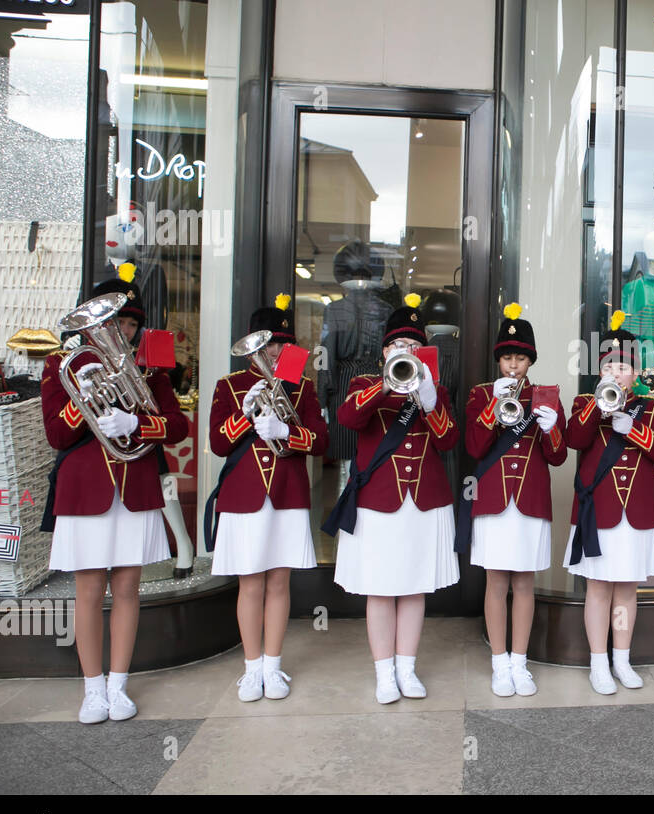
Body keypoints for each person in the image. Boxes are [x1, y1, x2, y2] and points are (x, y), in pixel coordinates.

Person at [41, 263, 188, 723]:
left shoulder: (150, 366)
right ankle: (91, 689)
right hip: (86, 488)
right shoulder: (63, 364)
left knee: (127, 588)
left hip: (135, 485)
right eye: (112, 322)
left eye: (127, 323)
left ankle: (119, 684)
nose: (121, 330)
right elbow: (55, 436)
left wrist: (135, 423)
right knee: (87, 590)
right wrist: (82, 402)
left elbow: (177, 426)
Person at [326, 295, 460, 702]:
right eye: (399, 346)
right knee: (381, 589)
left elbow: (449, 440)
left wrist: (432, 403)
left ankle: (407, 667)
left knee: (414, 587)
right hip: (379, 501)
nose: (407, 352)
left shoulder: (433, 389)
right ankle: (384, 673)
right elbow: (348, 419)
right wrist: (387, 384)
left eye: (414, 347)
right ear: (385, 351)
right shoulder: (364, 385)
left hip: (423, 499)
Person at [206, 294, 328, 702]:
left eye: (279, 343)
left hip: (287, 492)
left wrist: (285, 433)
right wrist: (244, 414)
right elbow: (218, 445)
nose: (273, 352)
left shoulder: (302, 386)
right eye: (265, 344)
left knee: (279, 580)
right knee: (250, 582)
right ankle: (251, 668)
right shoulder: (228, 385)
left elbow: (320, 440)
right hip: (244, 494)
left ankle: (273, 668)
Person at [564, 311, 654, 695]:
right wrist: (599, 407)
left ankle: (622, 660)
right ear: (600, 371)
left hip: (636, 514)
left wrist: (635, 430)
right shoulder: (584, 403)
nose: (617, 372)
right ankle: (598, 663)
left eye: (624, 367)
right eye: (609, 365)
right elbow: (573, 441)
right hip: (600, 512)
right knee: (598, 587)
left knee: (626, 588)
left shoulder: (653, 407)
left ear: (635, 373)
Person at [458, 302, 566, 697]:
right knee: (495, 582)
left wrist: (553, 428)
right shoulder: (479, 394)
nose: (513, 365)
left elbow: (557, 456)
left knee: (524, 584)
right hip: (493, 500)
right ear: (498, 359)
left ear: (530, 360)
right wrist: (491, 406)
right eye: (507, 357)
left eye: (520, 358)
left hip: (531, 501)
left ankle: (520, 663)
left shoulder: (547, 394)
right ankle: (499, 662)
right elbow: (473, 446)